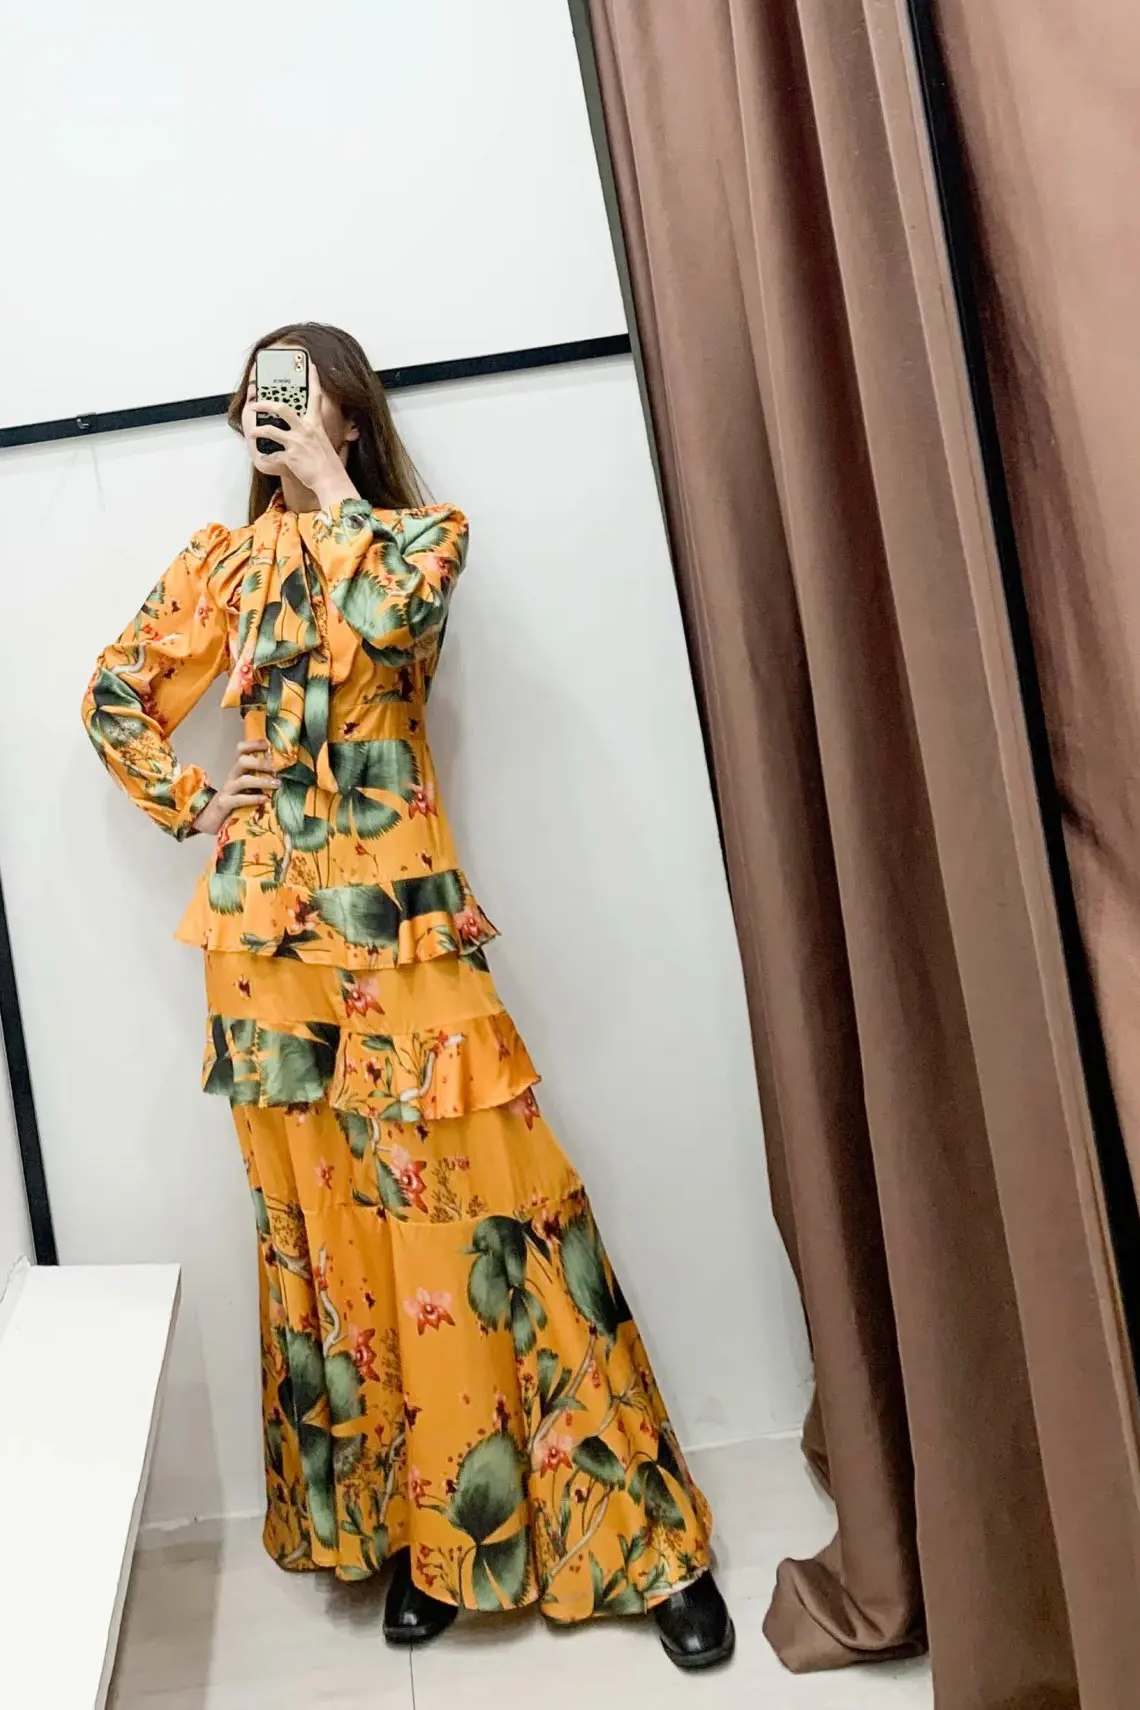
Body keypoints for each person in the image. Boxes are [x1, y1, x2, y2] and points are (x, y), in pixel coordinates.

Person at [83, 322, 734, 1671]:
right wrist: (197, 800)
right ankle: (418, 1539)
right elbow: (112, 696)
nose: (274, 410)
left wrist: (329, 486)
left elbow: (391, 625)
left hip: (403, 922)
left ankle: (644, 1541)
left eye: (300, 389)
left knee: (502, 1204)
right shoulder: (220, 567)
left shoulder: (419, 540)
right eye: (260, 394)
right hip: (267, 943)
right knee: (338, 1238)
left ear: (348, 413)